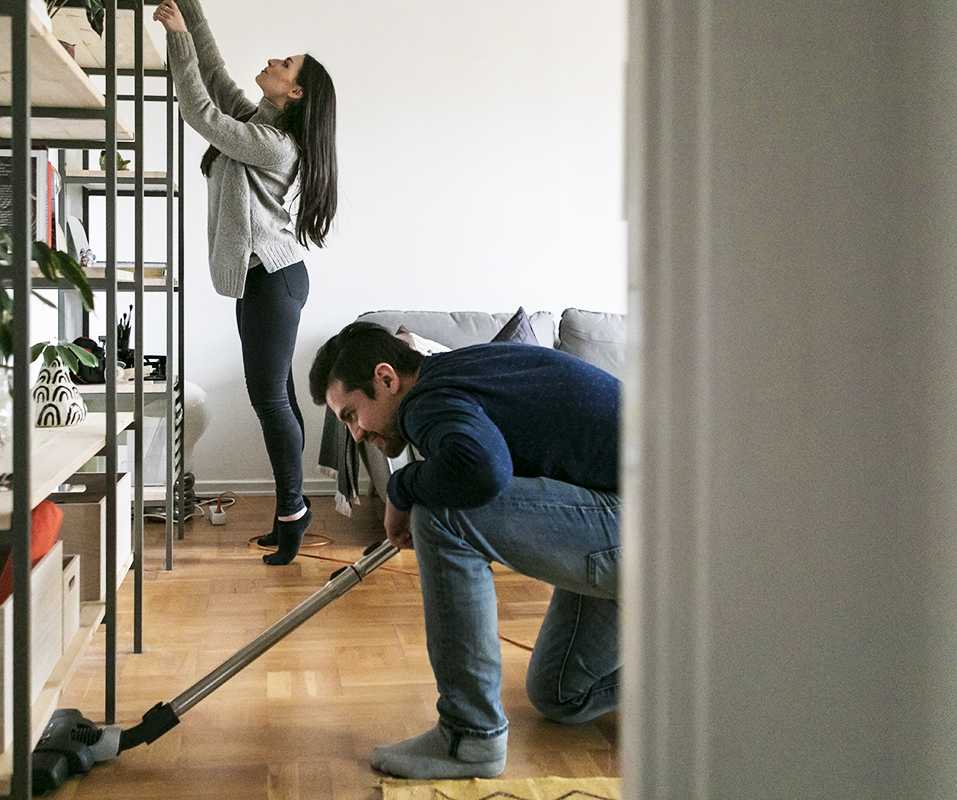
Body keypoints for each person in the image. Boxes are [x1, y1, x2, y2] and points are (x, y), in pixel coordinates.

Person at [309, 322, 623, 780]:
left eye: (352, 415)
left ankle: (469, 738)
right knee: (560, 694)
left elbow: (481, 469)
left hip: (662, 529)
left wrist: (400, 489)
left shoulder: (426, 400)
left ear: (386, 378)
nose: (356, 434)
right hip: (651, 522)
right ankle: (694, 688)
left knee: (440, 512)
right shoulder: (455, 374)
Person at [154, 0, 337, 565]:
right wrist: (191, 12)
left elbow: (203, 114)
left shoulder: (276, 144)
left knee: (270, 401)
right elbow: (215, 76)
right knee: (277, 397)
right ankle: (292, 509)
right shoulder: (261, 122)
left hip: (274, 282)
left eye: (284, 64)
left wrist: (176, 38)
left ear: (296, 93)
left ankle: (292, 513)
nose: (272, 62)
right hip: (267, 281)